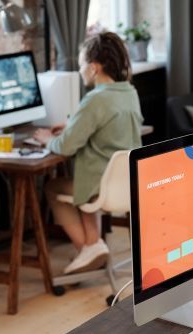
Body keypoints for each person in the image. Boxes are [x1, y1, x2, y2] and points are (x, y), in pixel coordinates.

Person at [34, 32, 142, 275]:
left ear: (94, 68)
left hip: (99, 188)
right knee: (85, 180)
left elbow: (66, 147)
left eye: (82, 64)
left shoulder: (95, 99)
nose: (80, 69)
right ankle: (93, 246)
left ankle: (89, 247)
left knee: (53, 187)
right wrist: (72, 125)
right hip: (128, 184)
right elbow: (105, 127)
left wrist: (48, 139)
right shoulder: (129, 93)